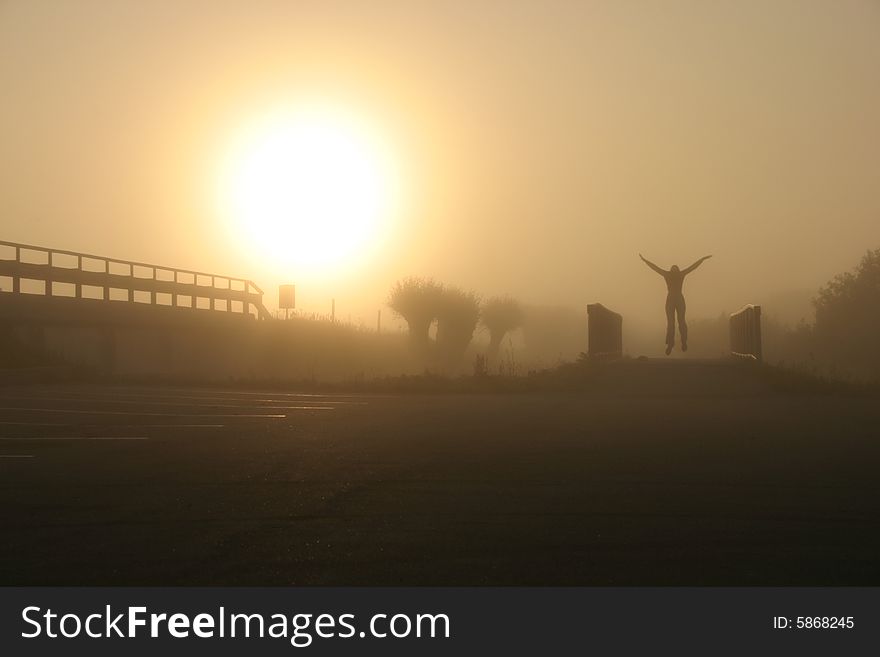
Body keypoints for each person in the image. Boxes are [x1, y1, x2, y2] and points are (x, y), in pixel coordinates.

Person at [639, 253, 712, 355]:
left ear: (676, 269)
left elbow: (693, 267)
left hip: (676, 299)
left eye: (675, 268)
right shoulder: (673, 274)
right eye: (673, 268)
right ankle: (671, 344)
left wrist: (702, 259)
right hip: (674, 299)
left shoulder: (674, 274)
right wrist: (645, 260)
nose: (674, 269)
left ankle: (683, 341)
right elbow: (655, 268)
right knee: (672, 322)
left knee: (680, 321)